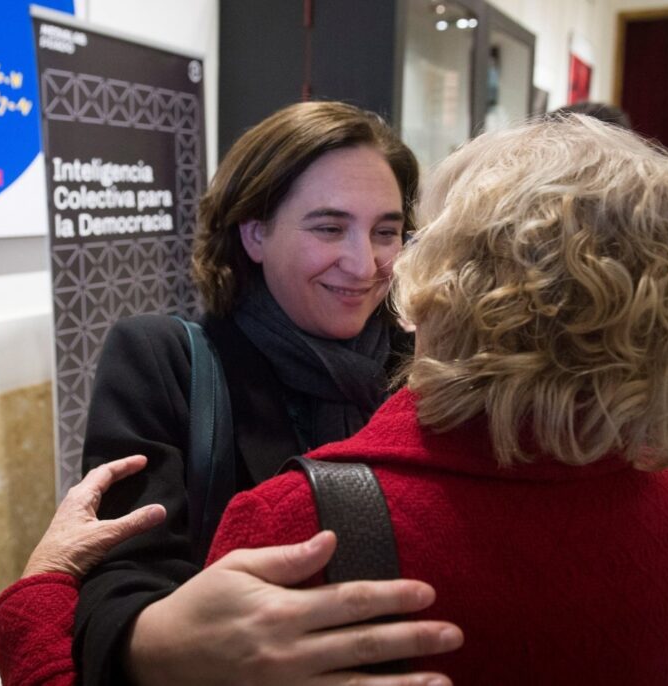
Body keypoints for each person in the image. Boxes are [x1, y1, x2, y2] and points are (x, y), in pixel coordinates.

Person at [206, 115, 668, 684]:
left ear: (444, 278)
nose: (369, 262)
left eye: (398, 234)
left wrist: (81, 586)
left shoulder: (298, 523)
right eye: (328, 228)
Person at [73, 101, 462, 686]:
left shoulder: (424, 367)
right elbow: (114, 596)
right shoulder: (169, 361)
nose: (365, 264)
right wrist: (164, 643)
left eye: (386, 232)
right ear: (254, 233)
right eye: (329, 228)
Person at [0, 455, 458, 686]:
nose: (364, 267)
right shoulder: (162, 351)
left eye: (389, 256)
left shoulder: (278, 512)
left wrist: (41, 582)